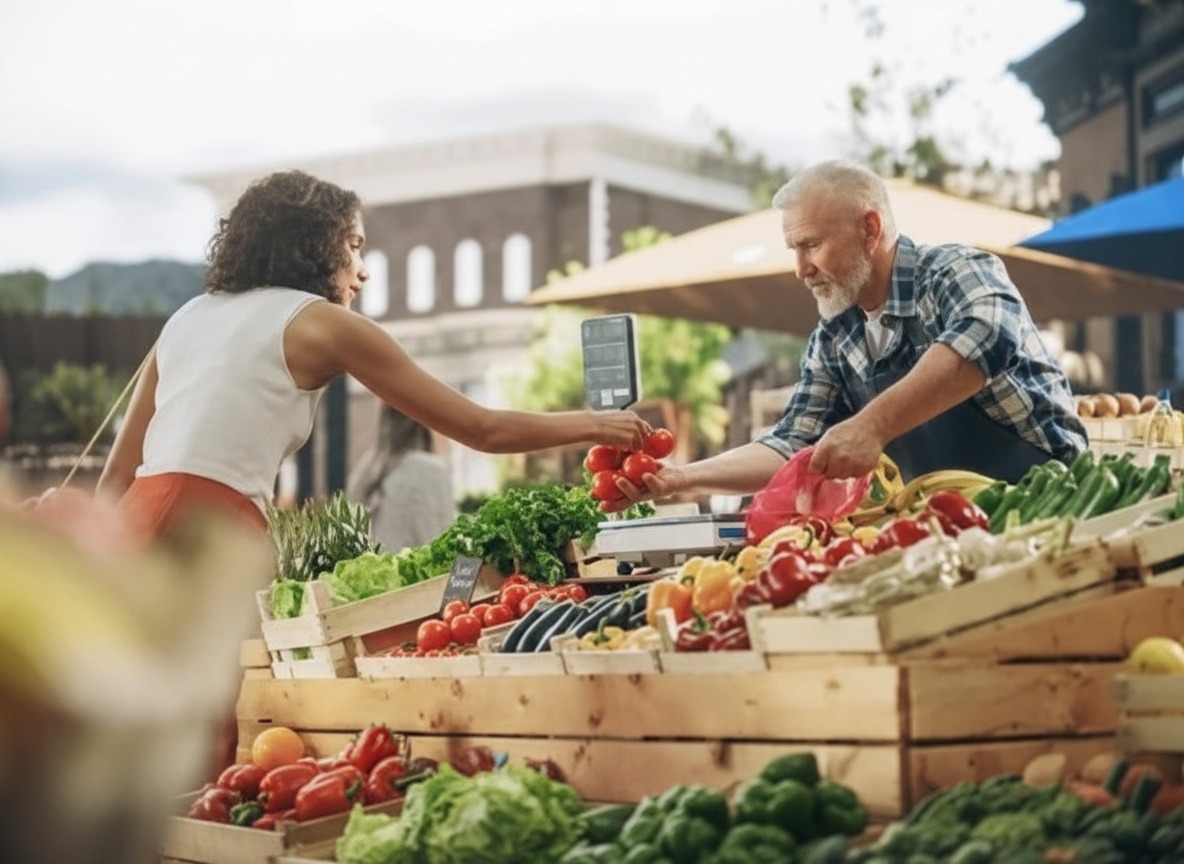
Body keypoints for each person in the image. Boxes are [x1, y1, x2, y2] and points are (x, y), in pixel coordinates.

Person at [96, 169, 651, 538]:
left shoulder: (188, 316)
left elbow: (116, 479)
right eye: (355, 245)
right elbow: (482, 430)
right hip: (212, 533)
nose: (363, 269)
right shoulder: (325, 324)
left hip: (131, 524)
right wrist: (598, 425)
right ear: (314, 246)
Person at [608, 159, 1086, 510]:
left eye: (811, 245)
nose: (800, 269)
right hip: (952, 529)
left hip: (1060, 504)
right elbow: (791, 443)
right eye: (793, 249)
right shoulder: (834, 339)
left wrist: (871, 425)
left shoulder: (956, 271)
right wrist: (677, 478)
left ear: (870, 229)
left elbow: (984, 338)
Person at [346, 405, 456, 552]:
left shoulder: (368, 468)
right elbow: (447, 538)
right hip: (422, 570)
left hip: (376, 568)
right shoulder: (434, 470)